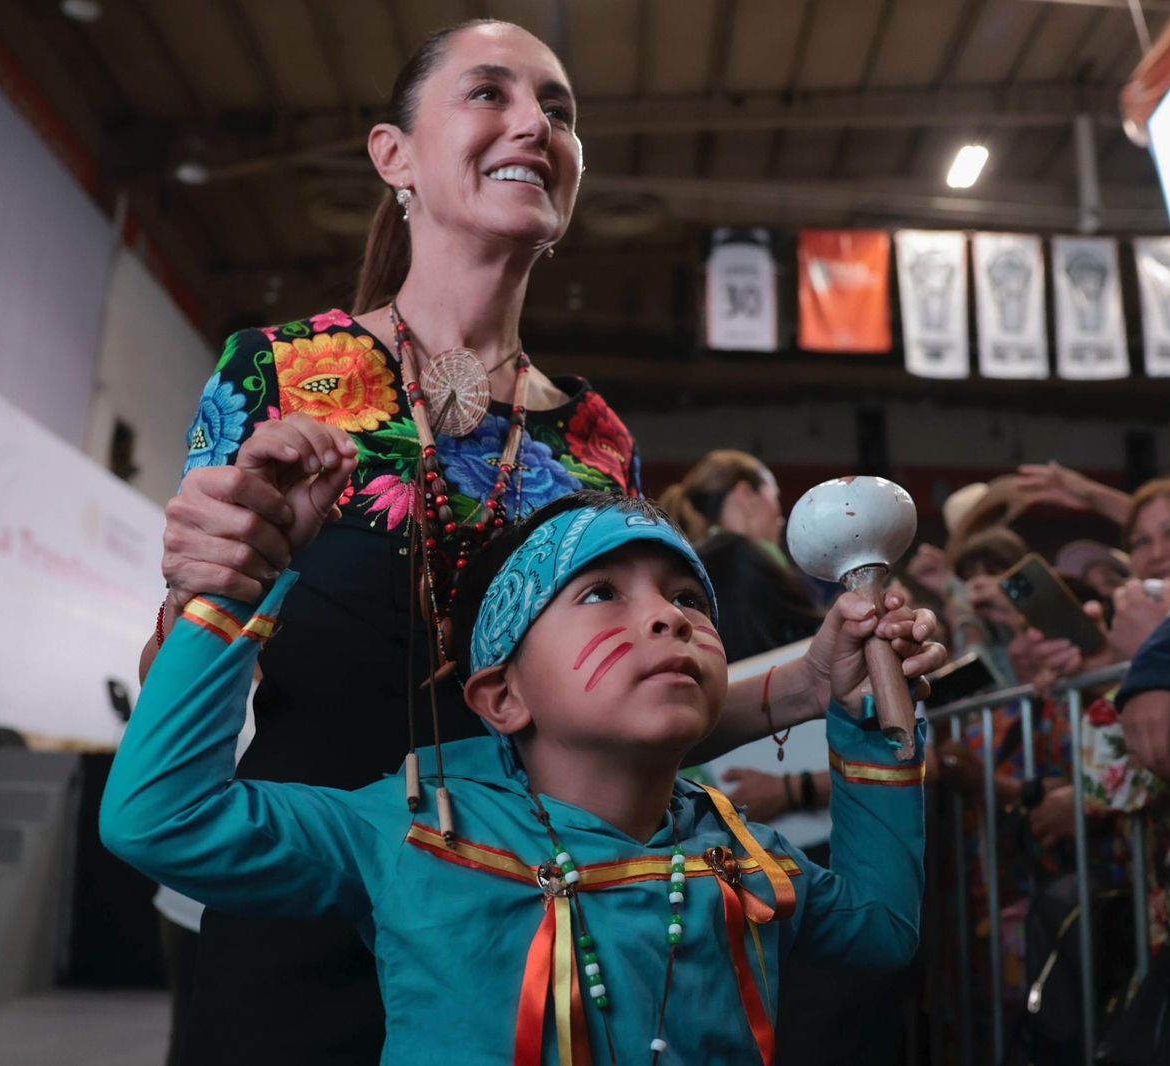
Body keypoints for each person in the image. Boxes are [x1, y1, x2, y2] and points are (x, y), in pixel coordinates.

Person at [140, 20, 949, 1065]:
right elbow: (178, 680)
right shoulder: (278, 374)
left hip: (532, 936)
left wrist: (803, 687)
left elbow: (604, 722)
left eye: (558, 110)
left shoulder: (597, 439)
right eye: (490, 93)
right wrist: (217, 581)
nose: (535, 123)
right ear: (394, 155)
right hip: (307, 887)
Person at [103, 487, 931, 1065]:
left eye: (689, 598)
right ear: (503, 696)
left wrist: (862, 714)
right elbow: (162, 818)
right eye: (600, 592)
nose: (667, 617)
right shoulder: (416, 833)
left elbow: (881, 928)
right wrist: (233, 590)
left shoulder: (744, 858)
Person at [655, 450, 822, 662]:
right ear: (746, 495)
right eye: (774, 496)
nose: (780, 518)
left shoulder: (689, 561)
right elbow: (817, 636)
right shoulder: (742, 558)